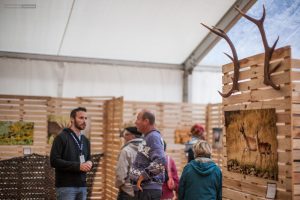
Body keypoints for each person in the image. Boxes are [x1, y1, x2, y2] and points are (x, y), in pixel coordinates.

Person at [50, 107, 93, 200]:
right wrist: (78, 166)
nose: (84, 121)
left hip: (82, 186)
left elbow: (89, 158)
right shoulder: (61, 137)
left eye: (86, 118)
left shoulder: (85, 140)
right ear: (72, 119)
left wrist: (90, 162)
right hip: (66, 187)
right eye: (81, 118)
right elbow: (54, 161)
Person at [129, 109, 166, 200]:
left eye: (138, 119)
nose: (135, 122)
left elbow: (160, 161)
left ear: (146, 121)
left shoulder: (153, 137)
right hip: (145, 189)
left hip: (148, 190)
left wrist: (142, 176)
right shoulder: (149, 136)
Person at [115, 126, 143, 200]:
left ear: (132, 136)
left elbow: (121, 174)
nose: (124, 137)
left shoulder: (126, 151)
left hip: (127, 192)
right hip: (142, 192)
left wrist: (119, 185)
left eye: (126, 134)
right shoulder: (147, 149)